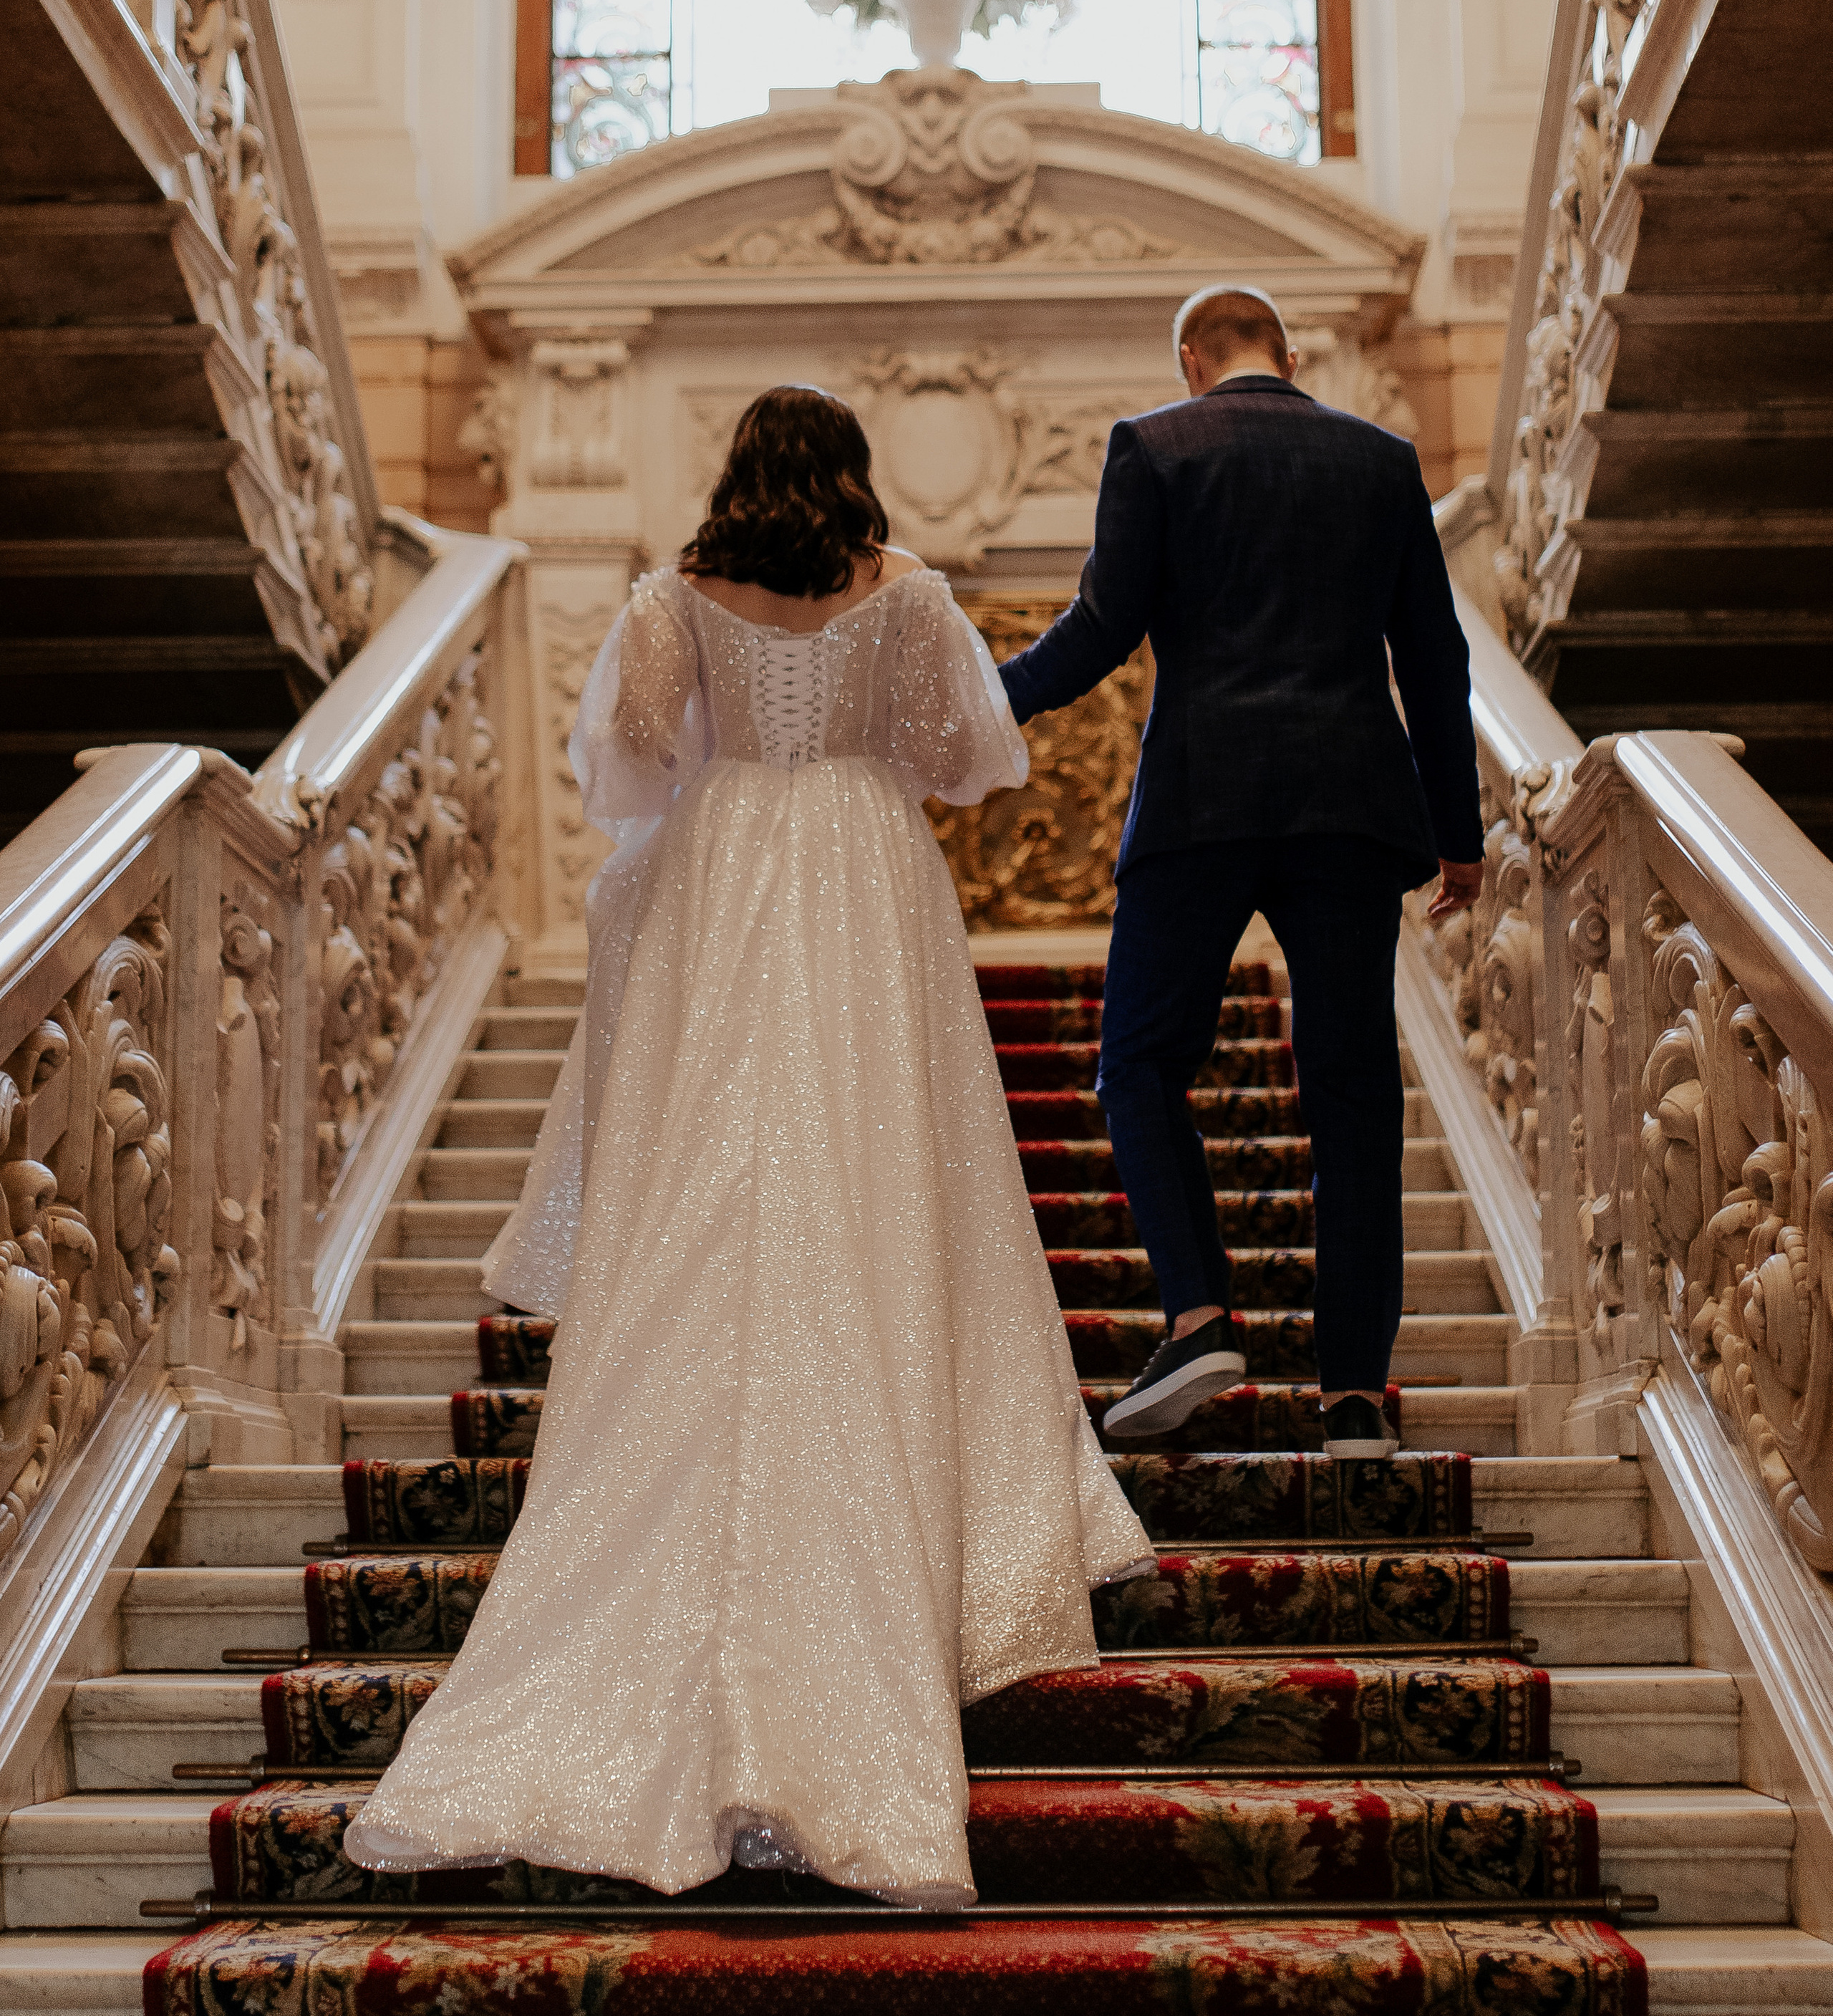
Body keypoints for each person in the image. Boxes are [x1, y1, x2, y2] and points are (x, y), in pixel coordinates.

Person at [344, 385, 1151, 1906]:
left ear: (735, 472)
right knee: (877, 1172)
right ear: (846, 471)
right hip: (859, 863)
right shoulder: (904, 590)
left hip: (723, 864)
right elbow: (960, 755)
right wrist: (851, 742)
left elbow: (636, 758)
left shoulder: (673, 593)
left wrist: (732, 748)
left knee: (711, 1168)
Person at [997, 286, 1484, 1462]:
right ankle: (1356, 1394)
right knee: (1353, 1091)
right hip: (1353, 807)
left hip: (1202, 804)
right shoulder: (1380, 459)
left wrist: (980, 700)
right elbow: (1436, 656)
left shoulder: (1156, 447)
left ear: (1189, 357)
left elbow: (1102, 628)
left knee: (1141, 1058)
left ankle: (1204, 1315)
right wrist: (1458, 832)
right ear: (1292, 354)